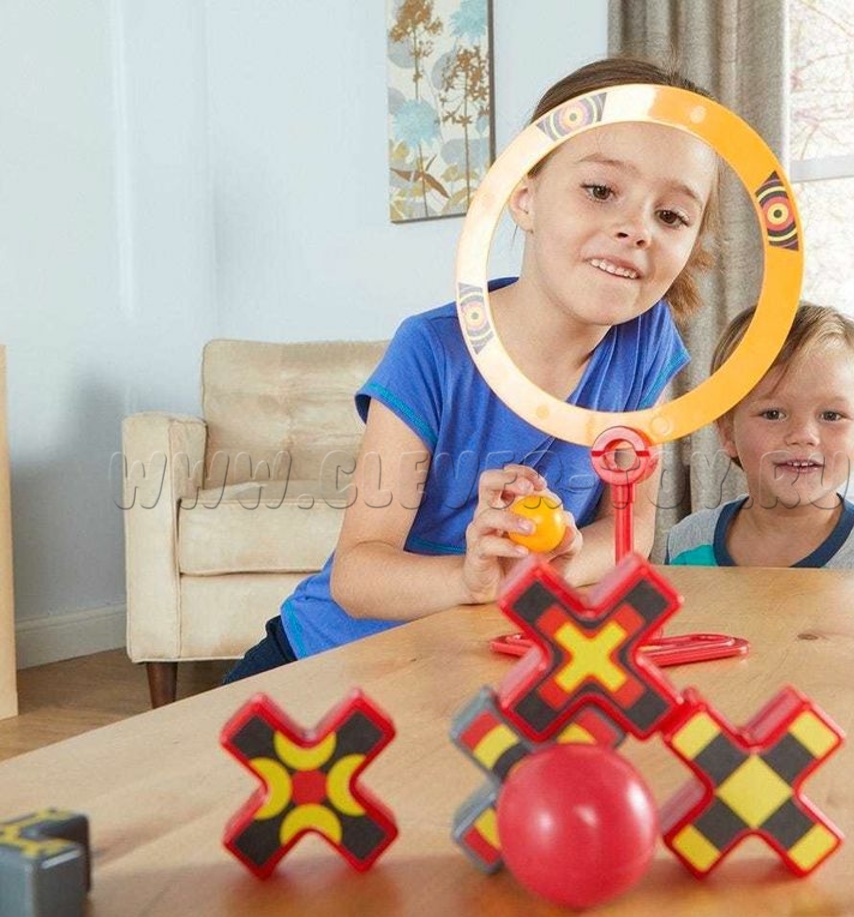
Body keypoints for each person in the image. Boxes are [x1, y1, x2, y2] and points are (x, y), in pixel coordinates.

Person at [224, 56, 722, 681]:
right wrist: (472, 579)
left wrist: (549, 565)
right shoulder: (431, 350)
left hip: (472, 664)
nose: (636, 229)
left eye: (671, 215)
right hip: (331, 658)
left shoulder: (646, 343)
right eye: (600, 190)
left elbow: (631, 527)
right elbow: (357, 576)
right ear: (524, 196)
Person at [665, 302, 854, 569]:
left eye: (831, 416)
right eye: (773, 414)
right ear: (728, 432)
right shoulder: (686, 544)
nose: (803, 435)